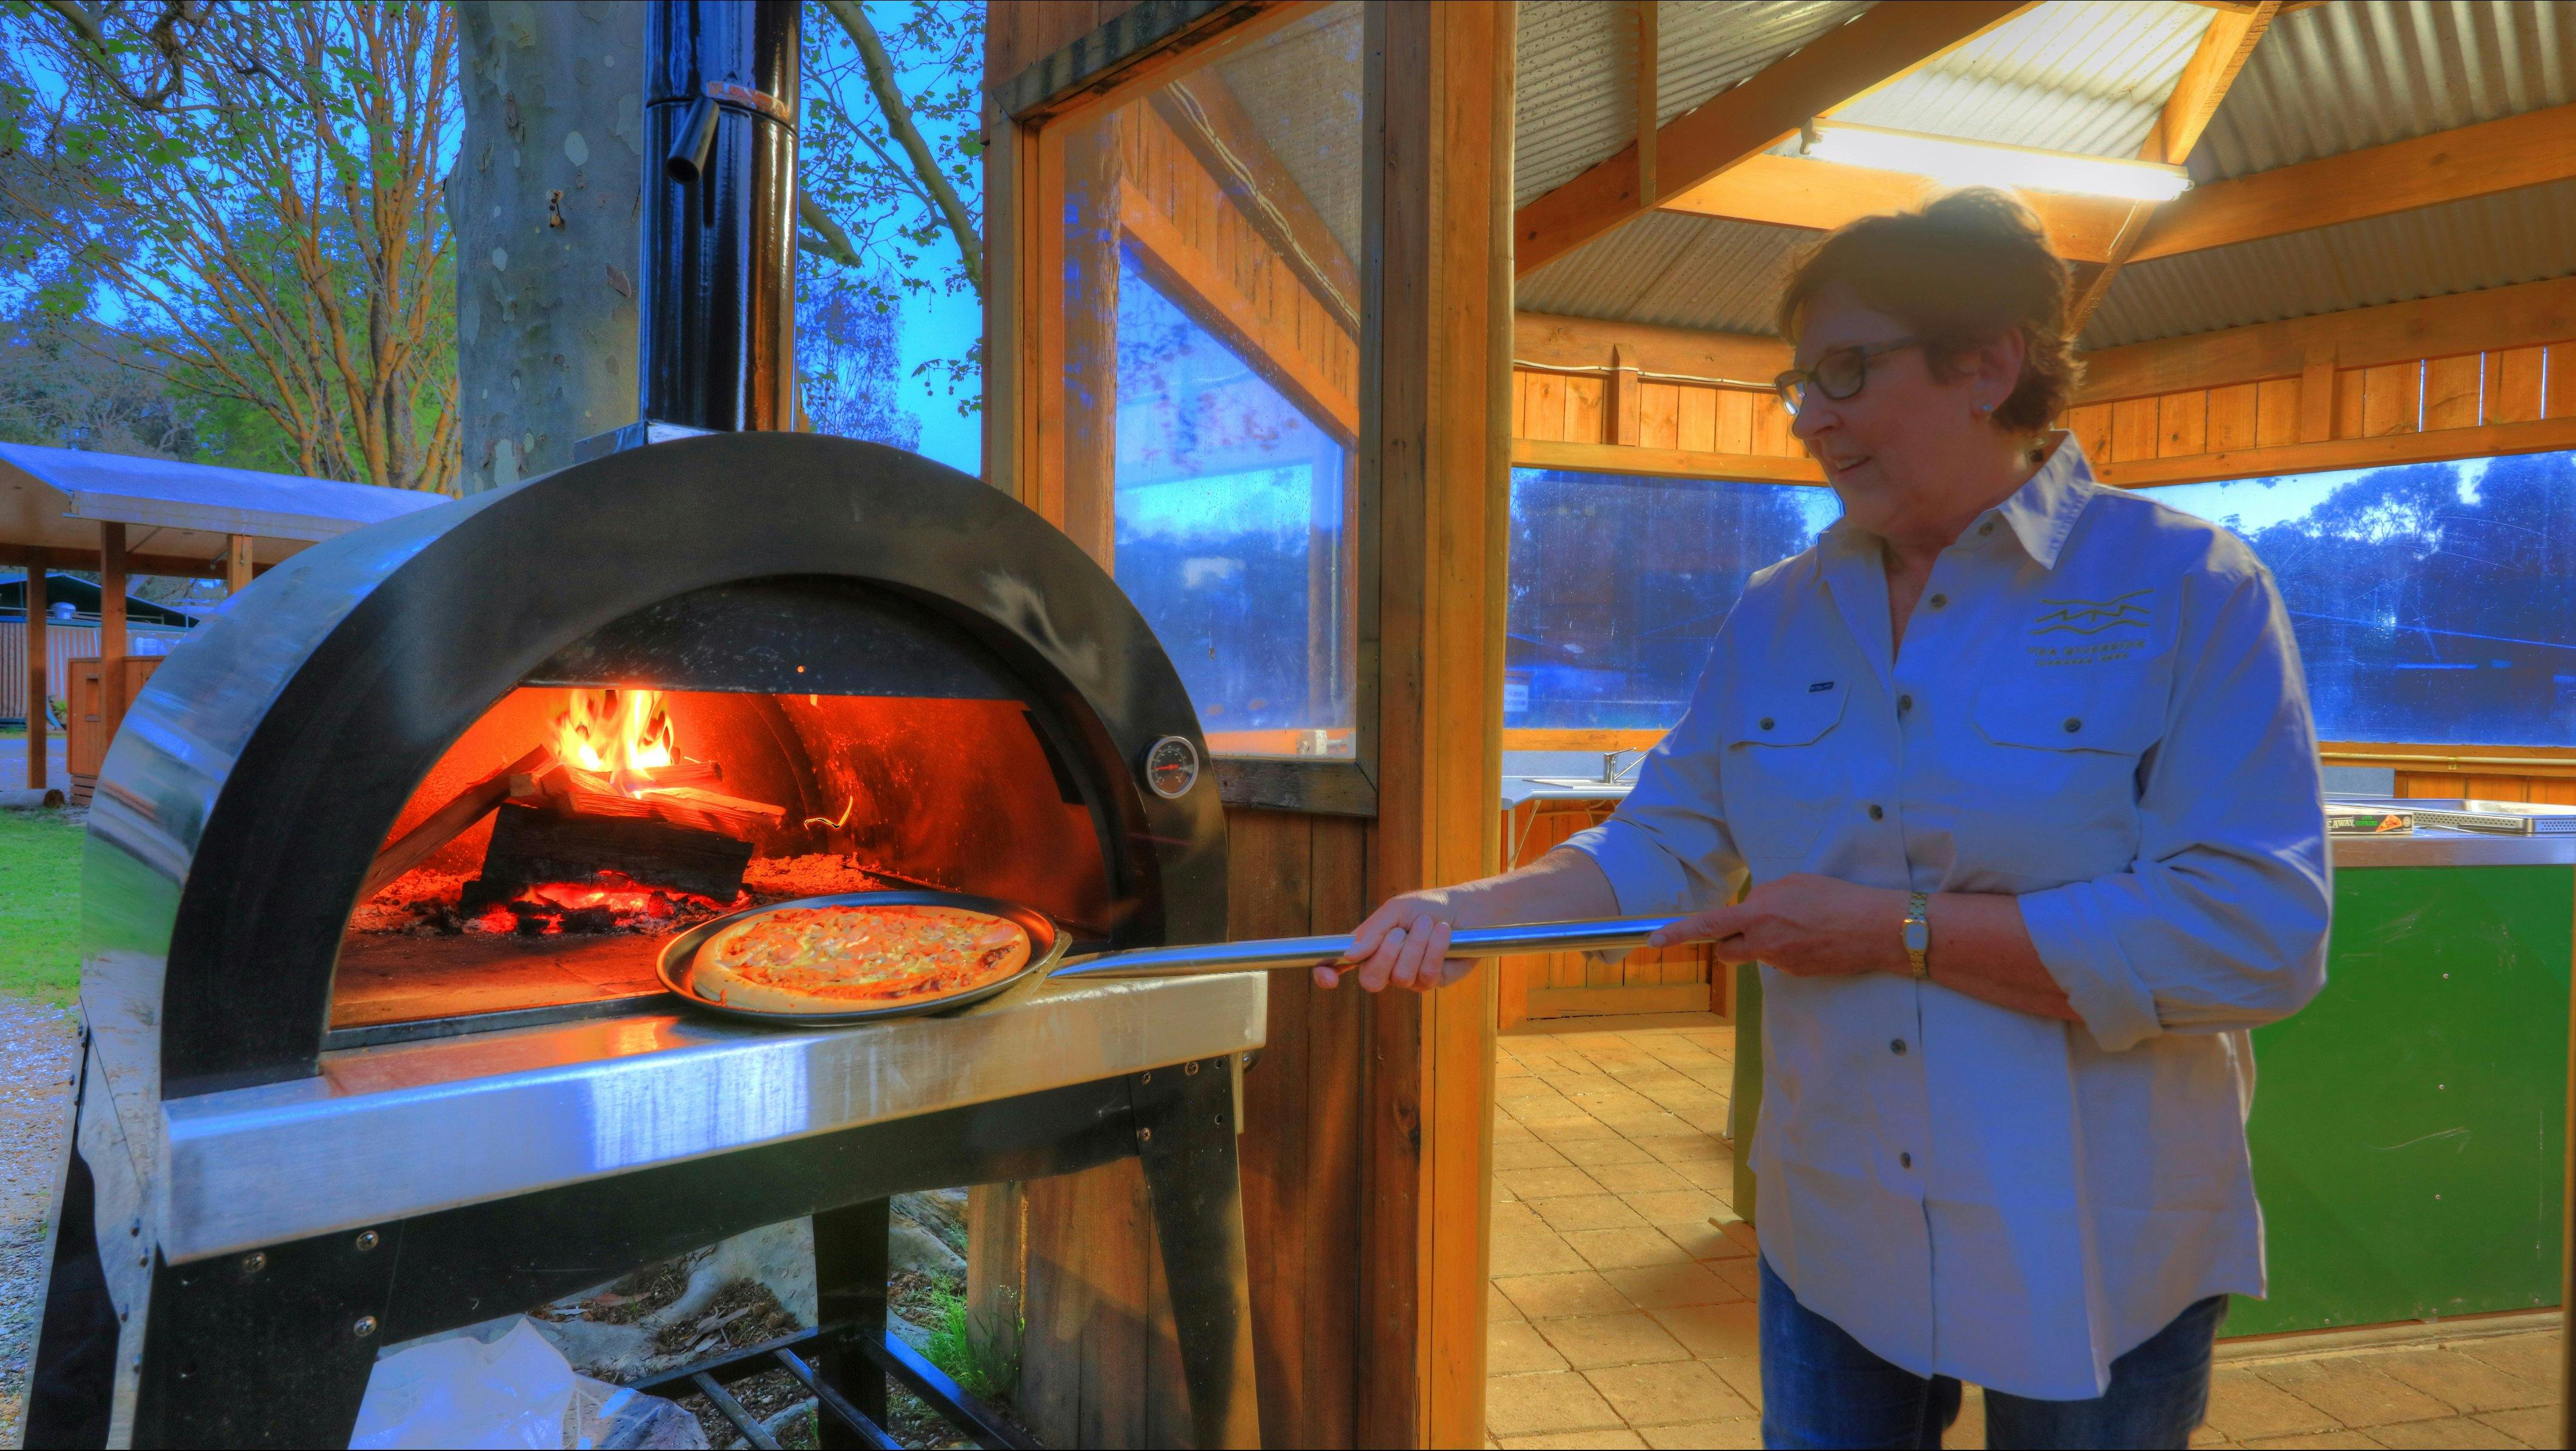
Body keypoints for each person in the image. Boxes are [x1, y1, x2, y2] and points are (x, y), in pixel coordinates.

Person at [1326, 189, 2331, 1450]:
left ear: (1988, 365)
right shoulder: (1777, 610)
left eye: (1846, 371)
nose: (1809, 416)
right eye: (1798, 383)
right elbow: (1662, 844)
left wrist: (1893, 931)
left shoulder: (2187, 585)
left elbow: (2256, 936)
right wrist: (1462, 912)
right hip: (1838, 1225)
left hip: (2096, 1230)